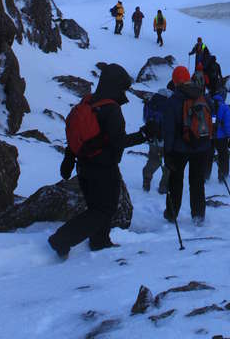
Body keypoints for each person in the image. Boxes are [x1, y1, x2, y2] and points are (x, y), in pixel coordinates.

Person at [48, 63, 153, 259]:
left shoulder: (88, 102)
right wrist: (144, 135)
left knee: (98, 207)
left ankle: (100, 241)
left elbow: (77, 138)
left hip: (84, 165)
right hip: (103, 167)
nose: (124, 92)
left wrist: (68, 161)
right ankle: (62, 239)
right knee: (103, 210)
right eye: (123, 87)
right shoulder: (111, 110)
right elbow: (118, 142)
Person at [163, 66, 213, 225]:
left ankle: (172, 214)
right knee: (197, 181)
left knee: (175, 181)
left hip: (179, 149)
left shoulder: (174, 101)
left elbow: (169, 130)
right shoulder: (203, 97)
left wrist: (167, 152)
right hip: (202, 146)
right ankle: (198, 216)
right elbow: (211, 120)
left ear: (175, 81)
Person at [142, 89, 171, 193]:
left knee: (153, 160)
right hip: (166, 140)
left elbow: (145, 119)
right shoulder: (170, 104)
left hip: (153, 139)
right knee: (168, 164)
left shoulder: (151, 103)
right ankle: (163, 188)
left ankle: (146, 178)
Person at [206, 90, 230, 182]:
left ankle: (206, 176)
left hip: (209, 136)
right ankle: (223, 177)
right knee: (223, 156)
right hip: (221, 137)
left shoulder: (207, 105)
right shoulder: (224, 107)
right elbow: (227, 124)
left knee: (208, 156)